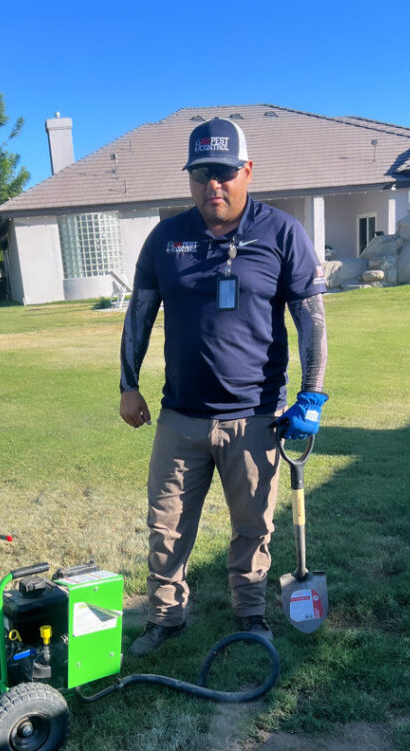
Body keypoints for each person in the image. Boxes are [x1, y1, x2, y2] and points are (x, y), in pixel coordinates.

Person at [120, 117, 328, 656]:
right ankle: (165, 618)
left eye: (224, 172)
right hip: (180, 418)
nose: (213, 183)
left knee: (253, 526)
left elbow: (311, 320)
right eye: (201, 173)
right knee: (166, 527)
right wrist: (128, 384)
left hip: (256, 417)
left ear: (247, 171)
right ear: (190, 179)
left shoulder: (282, 233)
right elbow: (139, 314)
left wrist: (311, 394)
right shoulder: (166, 239)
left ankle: (250, 614)